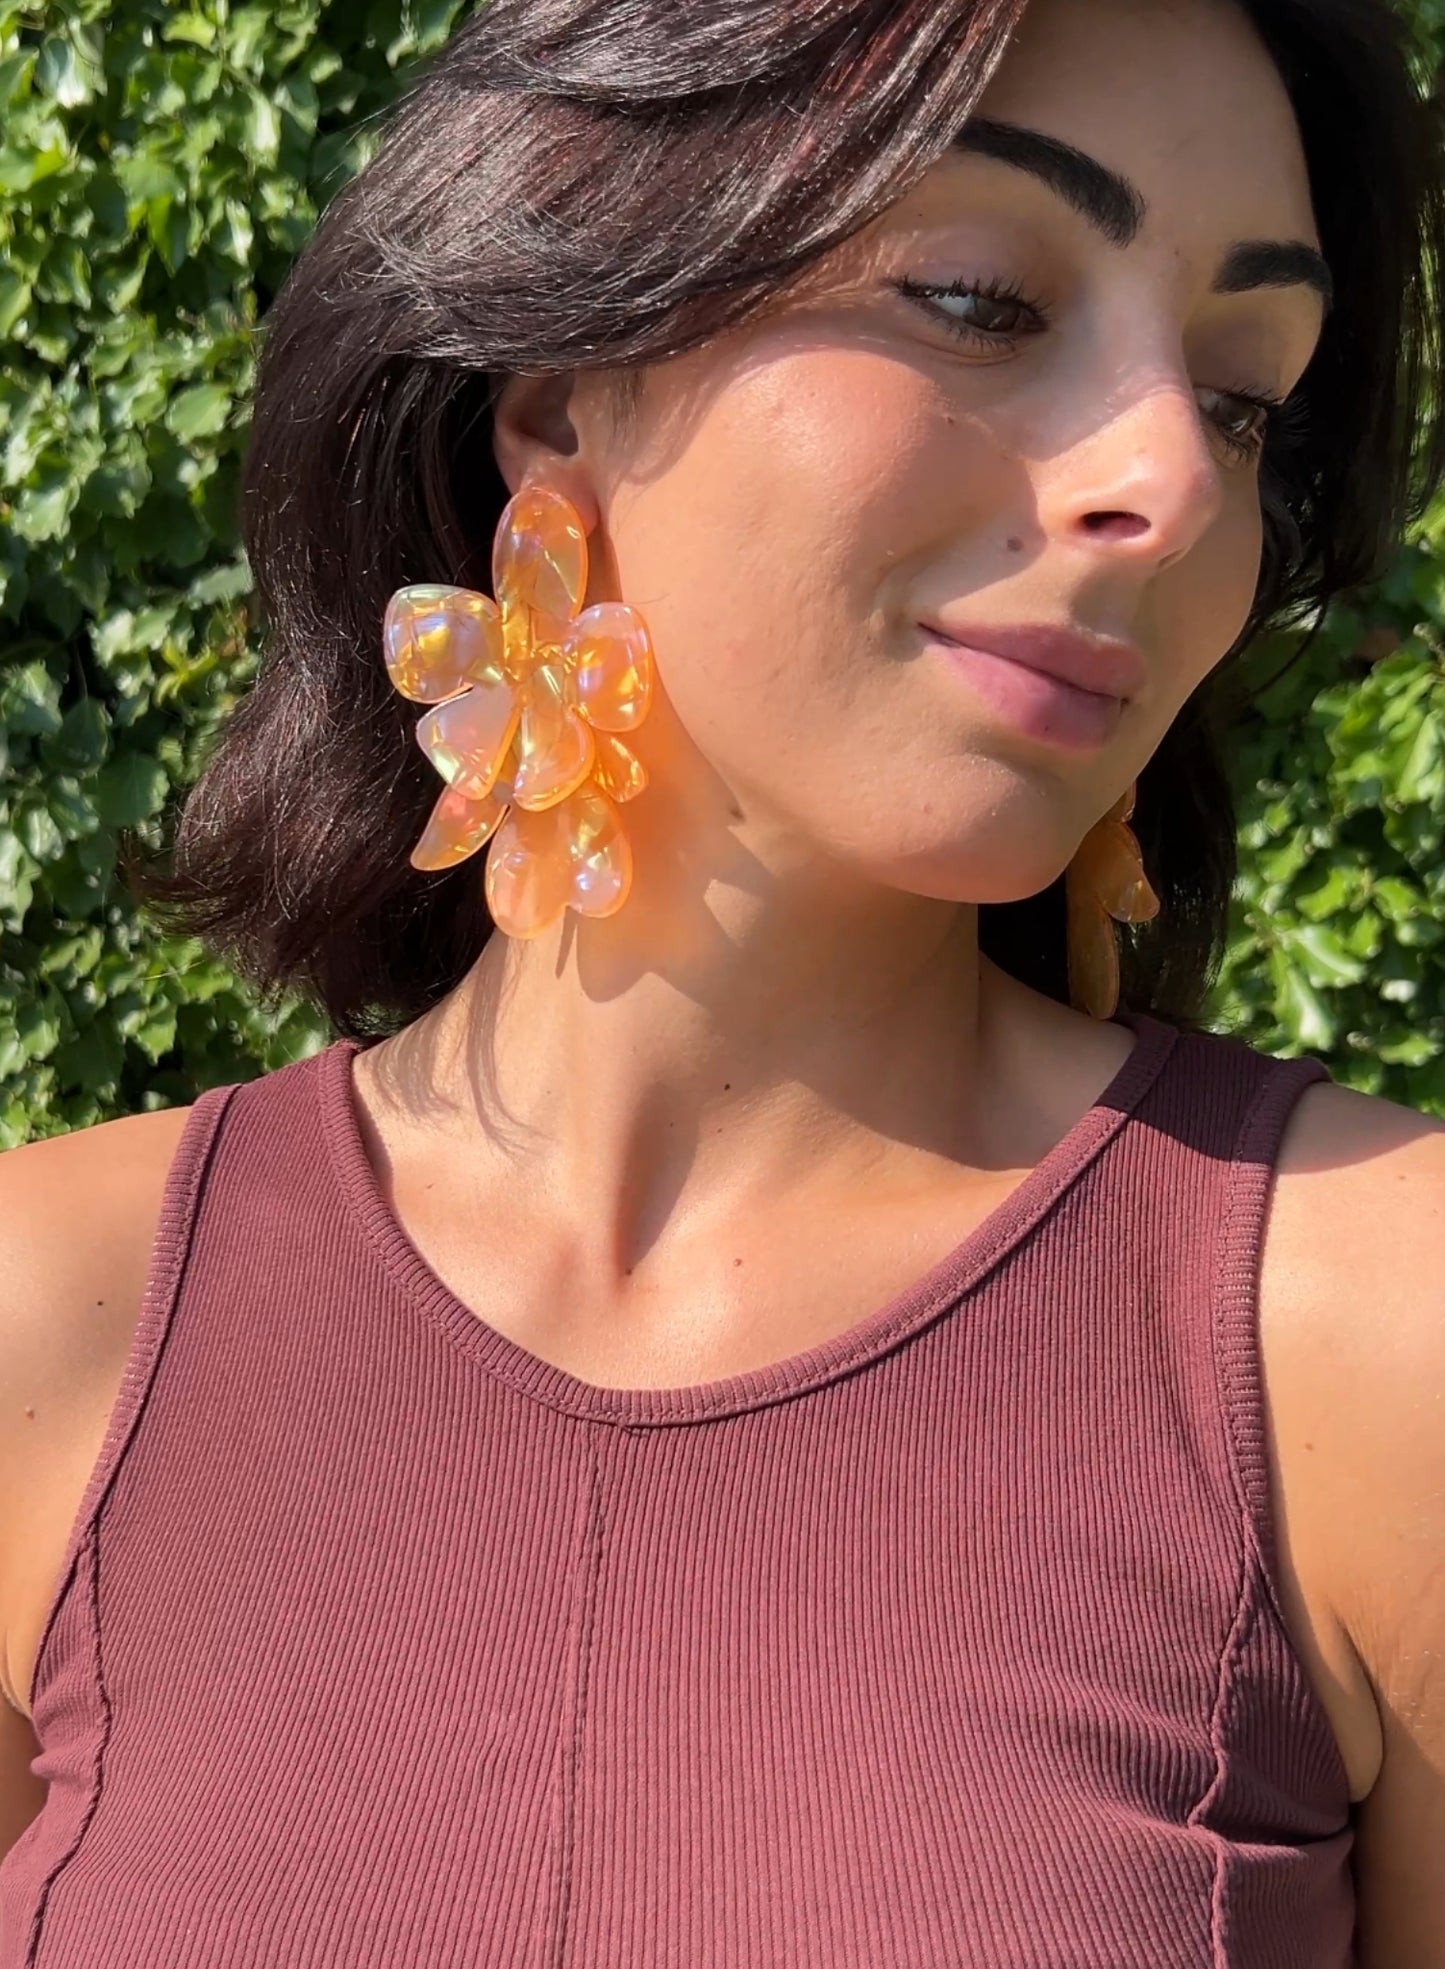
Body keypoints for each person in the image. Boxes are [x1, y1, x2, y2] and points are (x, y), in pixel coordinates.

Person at [0, 0, 1441, 1961]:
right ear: (559, 397)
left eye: (1243, 395)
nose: (1174, 481)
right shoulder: (55, 1327)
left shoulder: (1372, 1332)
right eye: (979, 298)